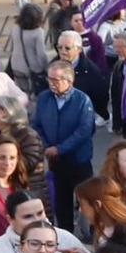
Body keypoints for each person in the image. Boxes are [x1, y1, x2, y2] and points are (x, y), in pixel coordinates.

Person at [33, 60, 98, 228]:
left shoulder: (82, 101)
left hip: (79, 161)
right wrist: (47, 146)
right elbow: (36, 125)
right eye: (50, 79)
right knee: (62, 203)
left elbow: (85, 131)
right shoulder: (44, 98)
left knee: (87, 200)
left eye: (56, 80)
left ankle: (91, 231)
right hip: (56, 162)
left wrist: (60, 149)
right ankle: (65, 234)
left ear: (69, 81)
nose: (52, 84)